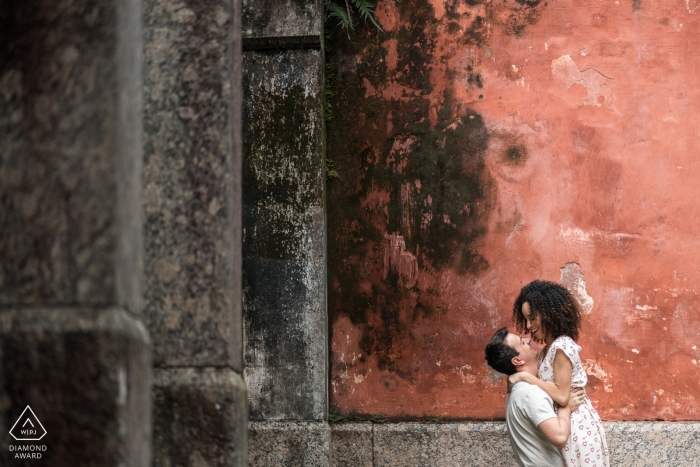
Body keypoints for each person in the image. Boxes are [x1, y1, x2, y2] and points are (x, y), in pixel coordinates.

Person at [509, 280, 609, 467]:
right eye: (526, 320)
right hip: (567, 422)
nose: (529, 326)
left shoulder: (562, 346)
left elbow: (562, 397)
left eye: (532, 318)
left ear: (547, 314)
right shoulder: (549, 349)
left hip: (577, 427)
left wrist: (525, 377)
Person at [485, 327, 585, 467]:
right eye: (522, 342)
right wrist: (566, 408)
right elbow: (560, 436)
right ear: (517, 360)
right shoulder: (530, 394)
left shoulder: (519, 389)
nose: (527, 339)